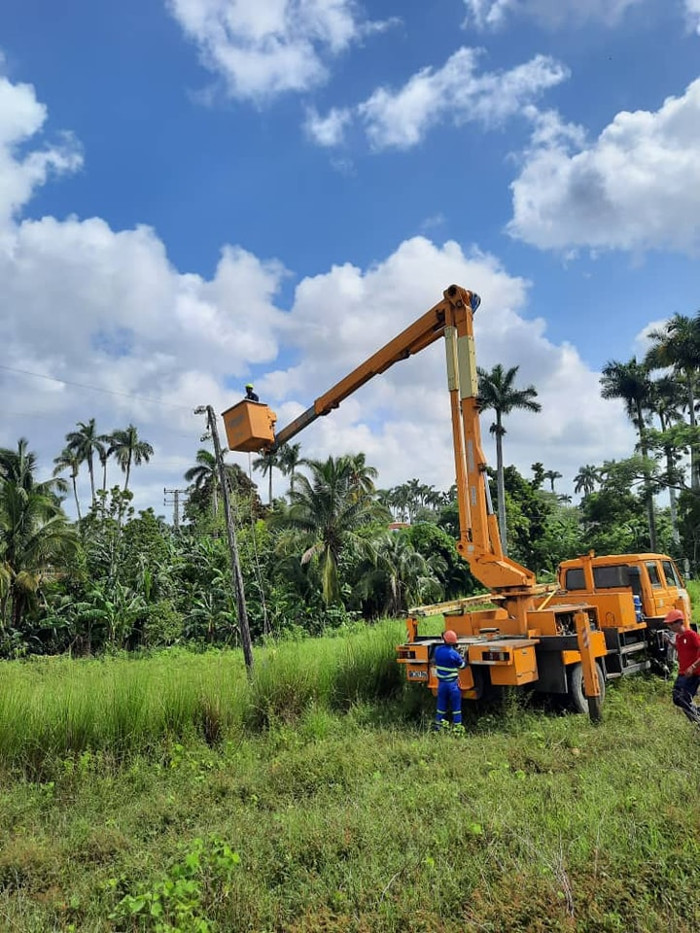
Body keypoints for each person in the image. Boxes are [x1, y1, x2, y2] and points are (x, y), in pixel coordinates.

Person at [664, 608, 700, 725]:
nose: (670, 626)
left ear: (680, 622)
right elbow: (680, 649)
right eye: (669, 624)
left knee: (684, 698)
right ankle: (697, 713)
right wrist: (670, 642)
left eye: (672, 623)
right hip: (683, 672)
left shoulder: (691, 635)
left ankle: (697, 721)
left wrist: (693, 667)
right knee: (676, 697)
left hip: (694, 673)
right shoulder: (679, 637)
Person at [433, 629, 466, 731]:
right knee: (456, 708)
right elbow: (462, 666)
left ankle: (438, 726)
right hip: (452, 686)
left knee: (441, 706)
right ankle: (458, 728)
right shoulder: (454, 654)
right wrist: (464, 658)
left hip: (442, 685)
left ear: (444, 639)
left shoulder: (437, 650)